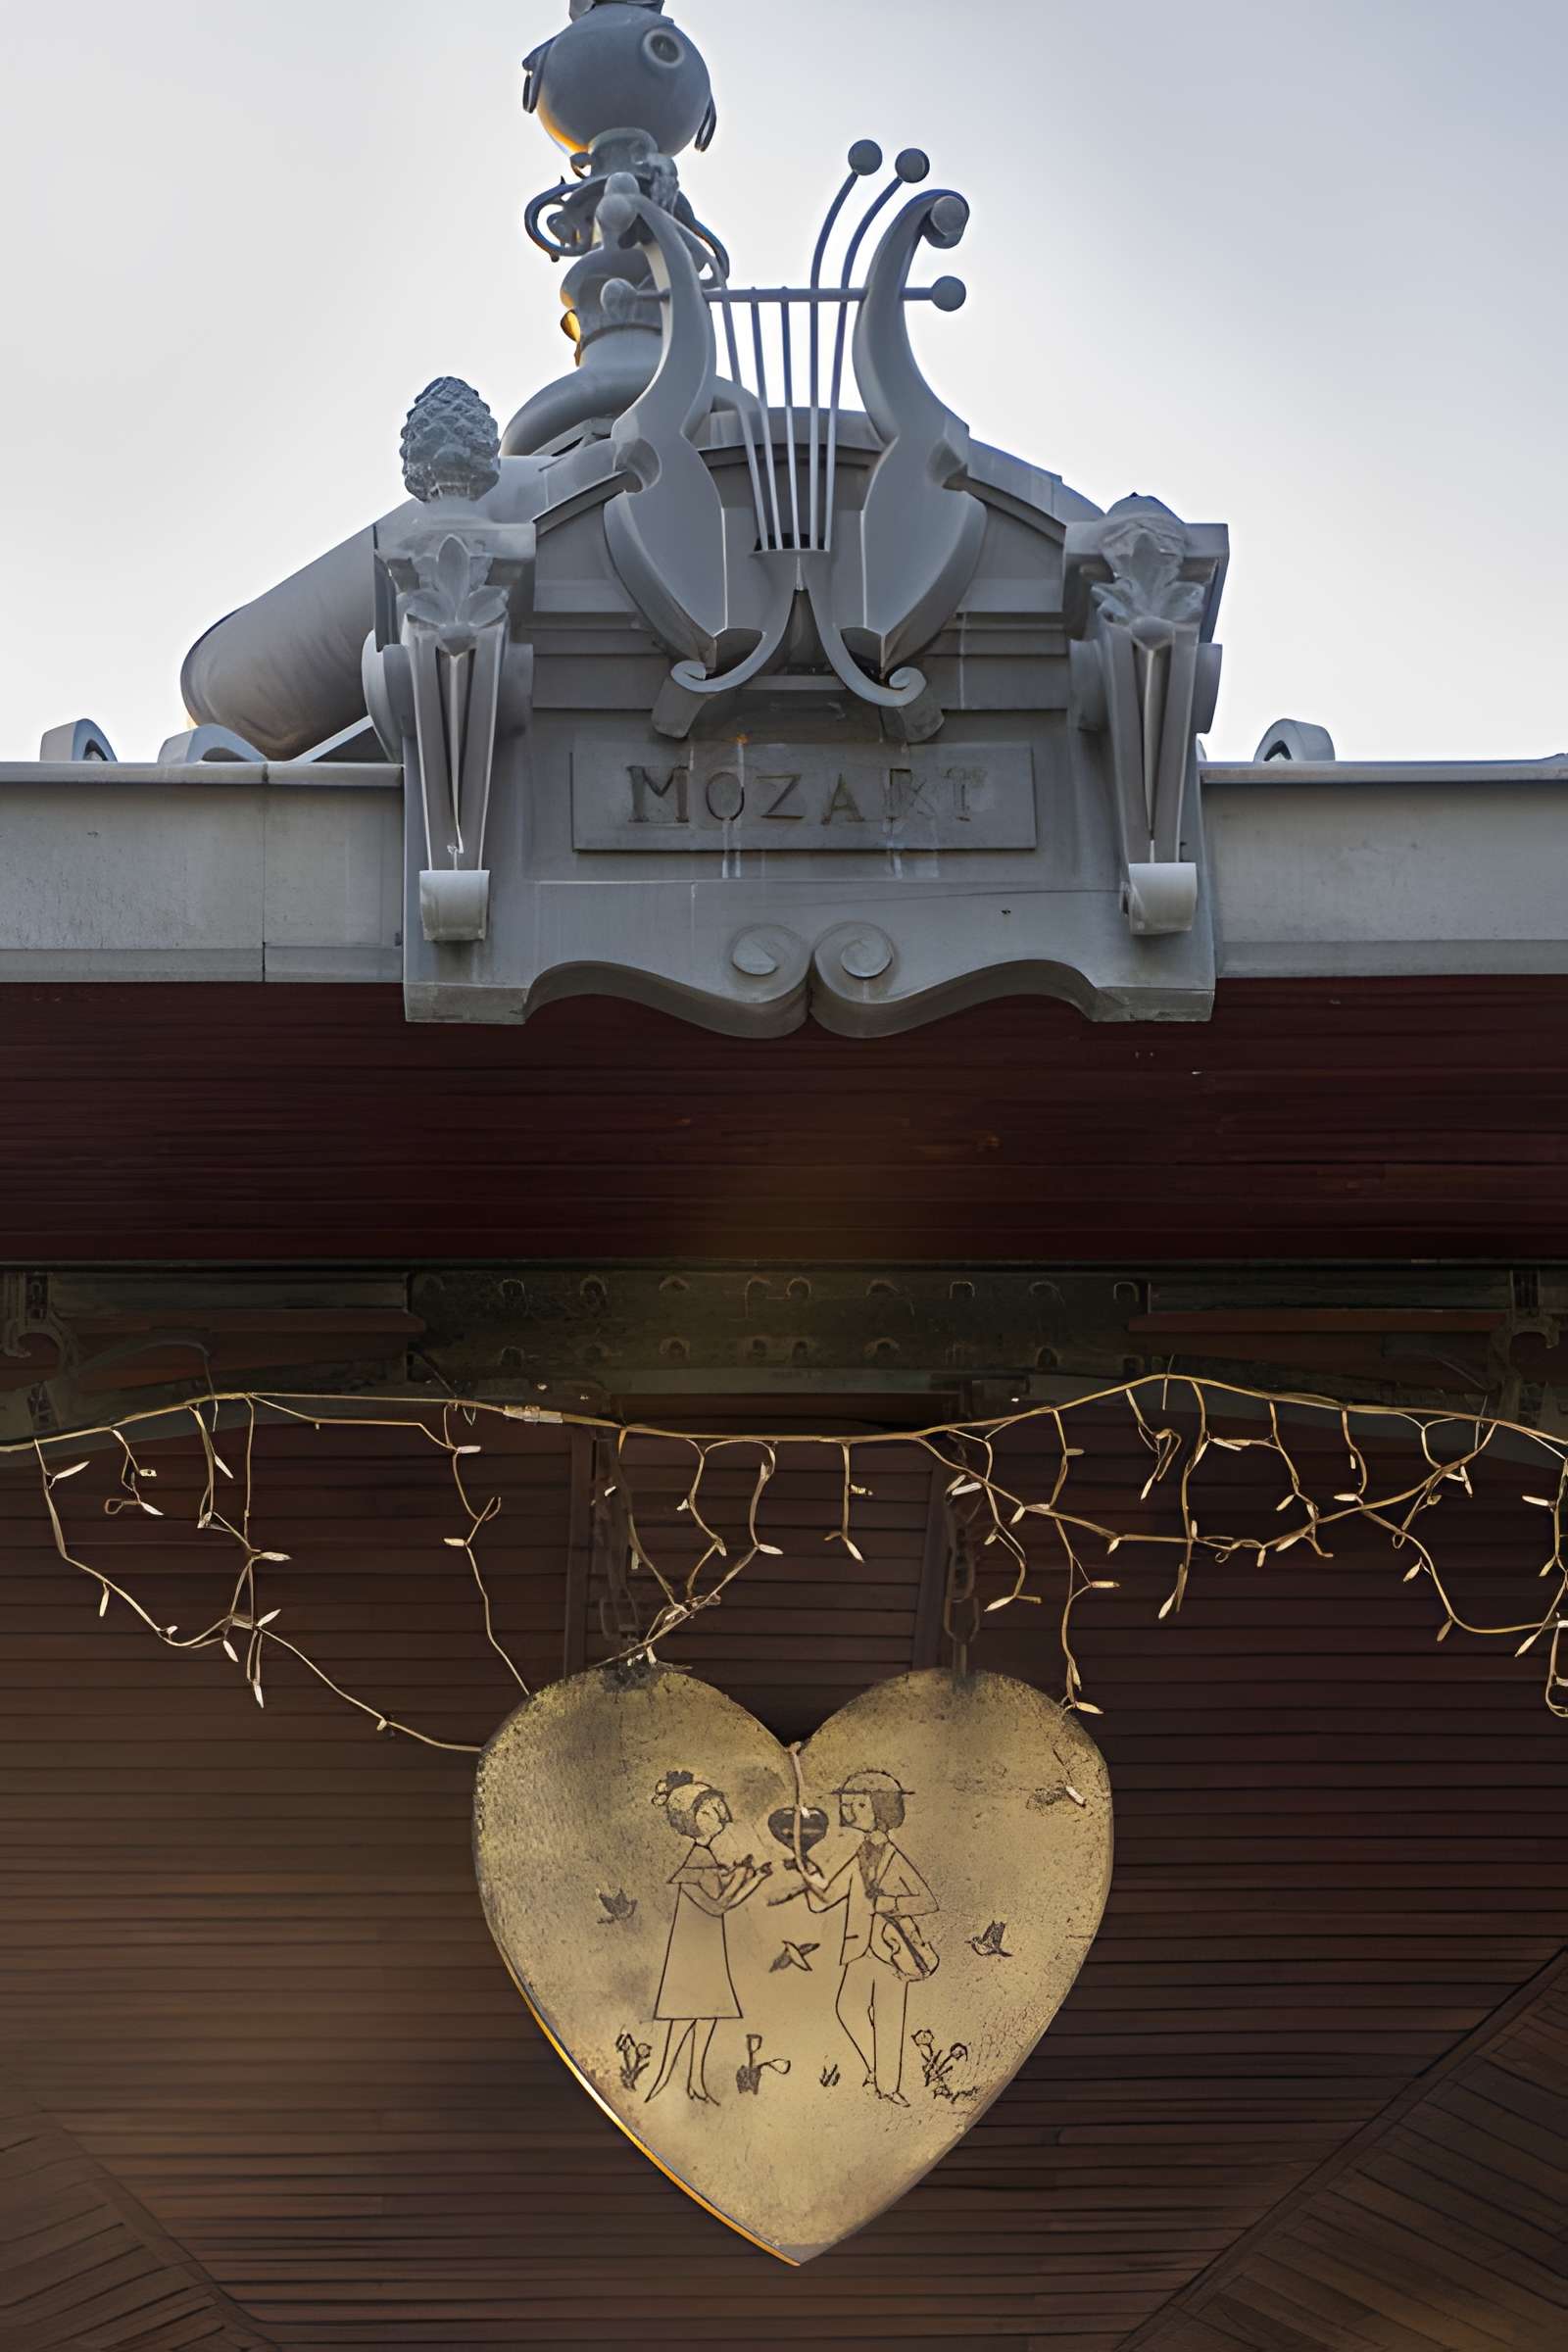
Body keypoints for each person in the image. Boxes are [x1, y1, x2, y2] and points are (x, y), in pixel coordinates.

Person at [801, 1768, 938, 2107]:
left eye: (856, 1805)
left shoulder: (894, 1858)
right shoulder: (858, 1858)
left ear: (880, 1809)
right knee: (848, 2009)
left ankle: (889, 2088)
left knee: (890, 2018)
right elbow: (825, 1899)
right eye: (847, 1806)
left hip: (892, 1950)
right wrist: (808, 1875)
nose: (848, 1812)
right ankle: (878, 2073)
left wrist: (885, 1903)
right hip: (859, 1947)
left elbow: (927, 1901)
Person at [645, 1771, 770, 2105]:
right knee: (685, 2016)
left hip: (709, 1949)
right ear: (691, 1820)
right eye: (708, 1810)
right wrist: (749, 1881)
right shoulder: (695, 1864)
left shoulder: (708, 1860)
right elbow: (718, 1906)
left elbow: (722, 1899)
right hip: (693, 1952)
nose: (718, 1815)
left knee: (704, 2016)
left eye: (717, 1807)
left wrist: (746, 1878)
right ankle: (665, 2080)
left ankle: (694, 2083)